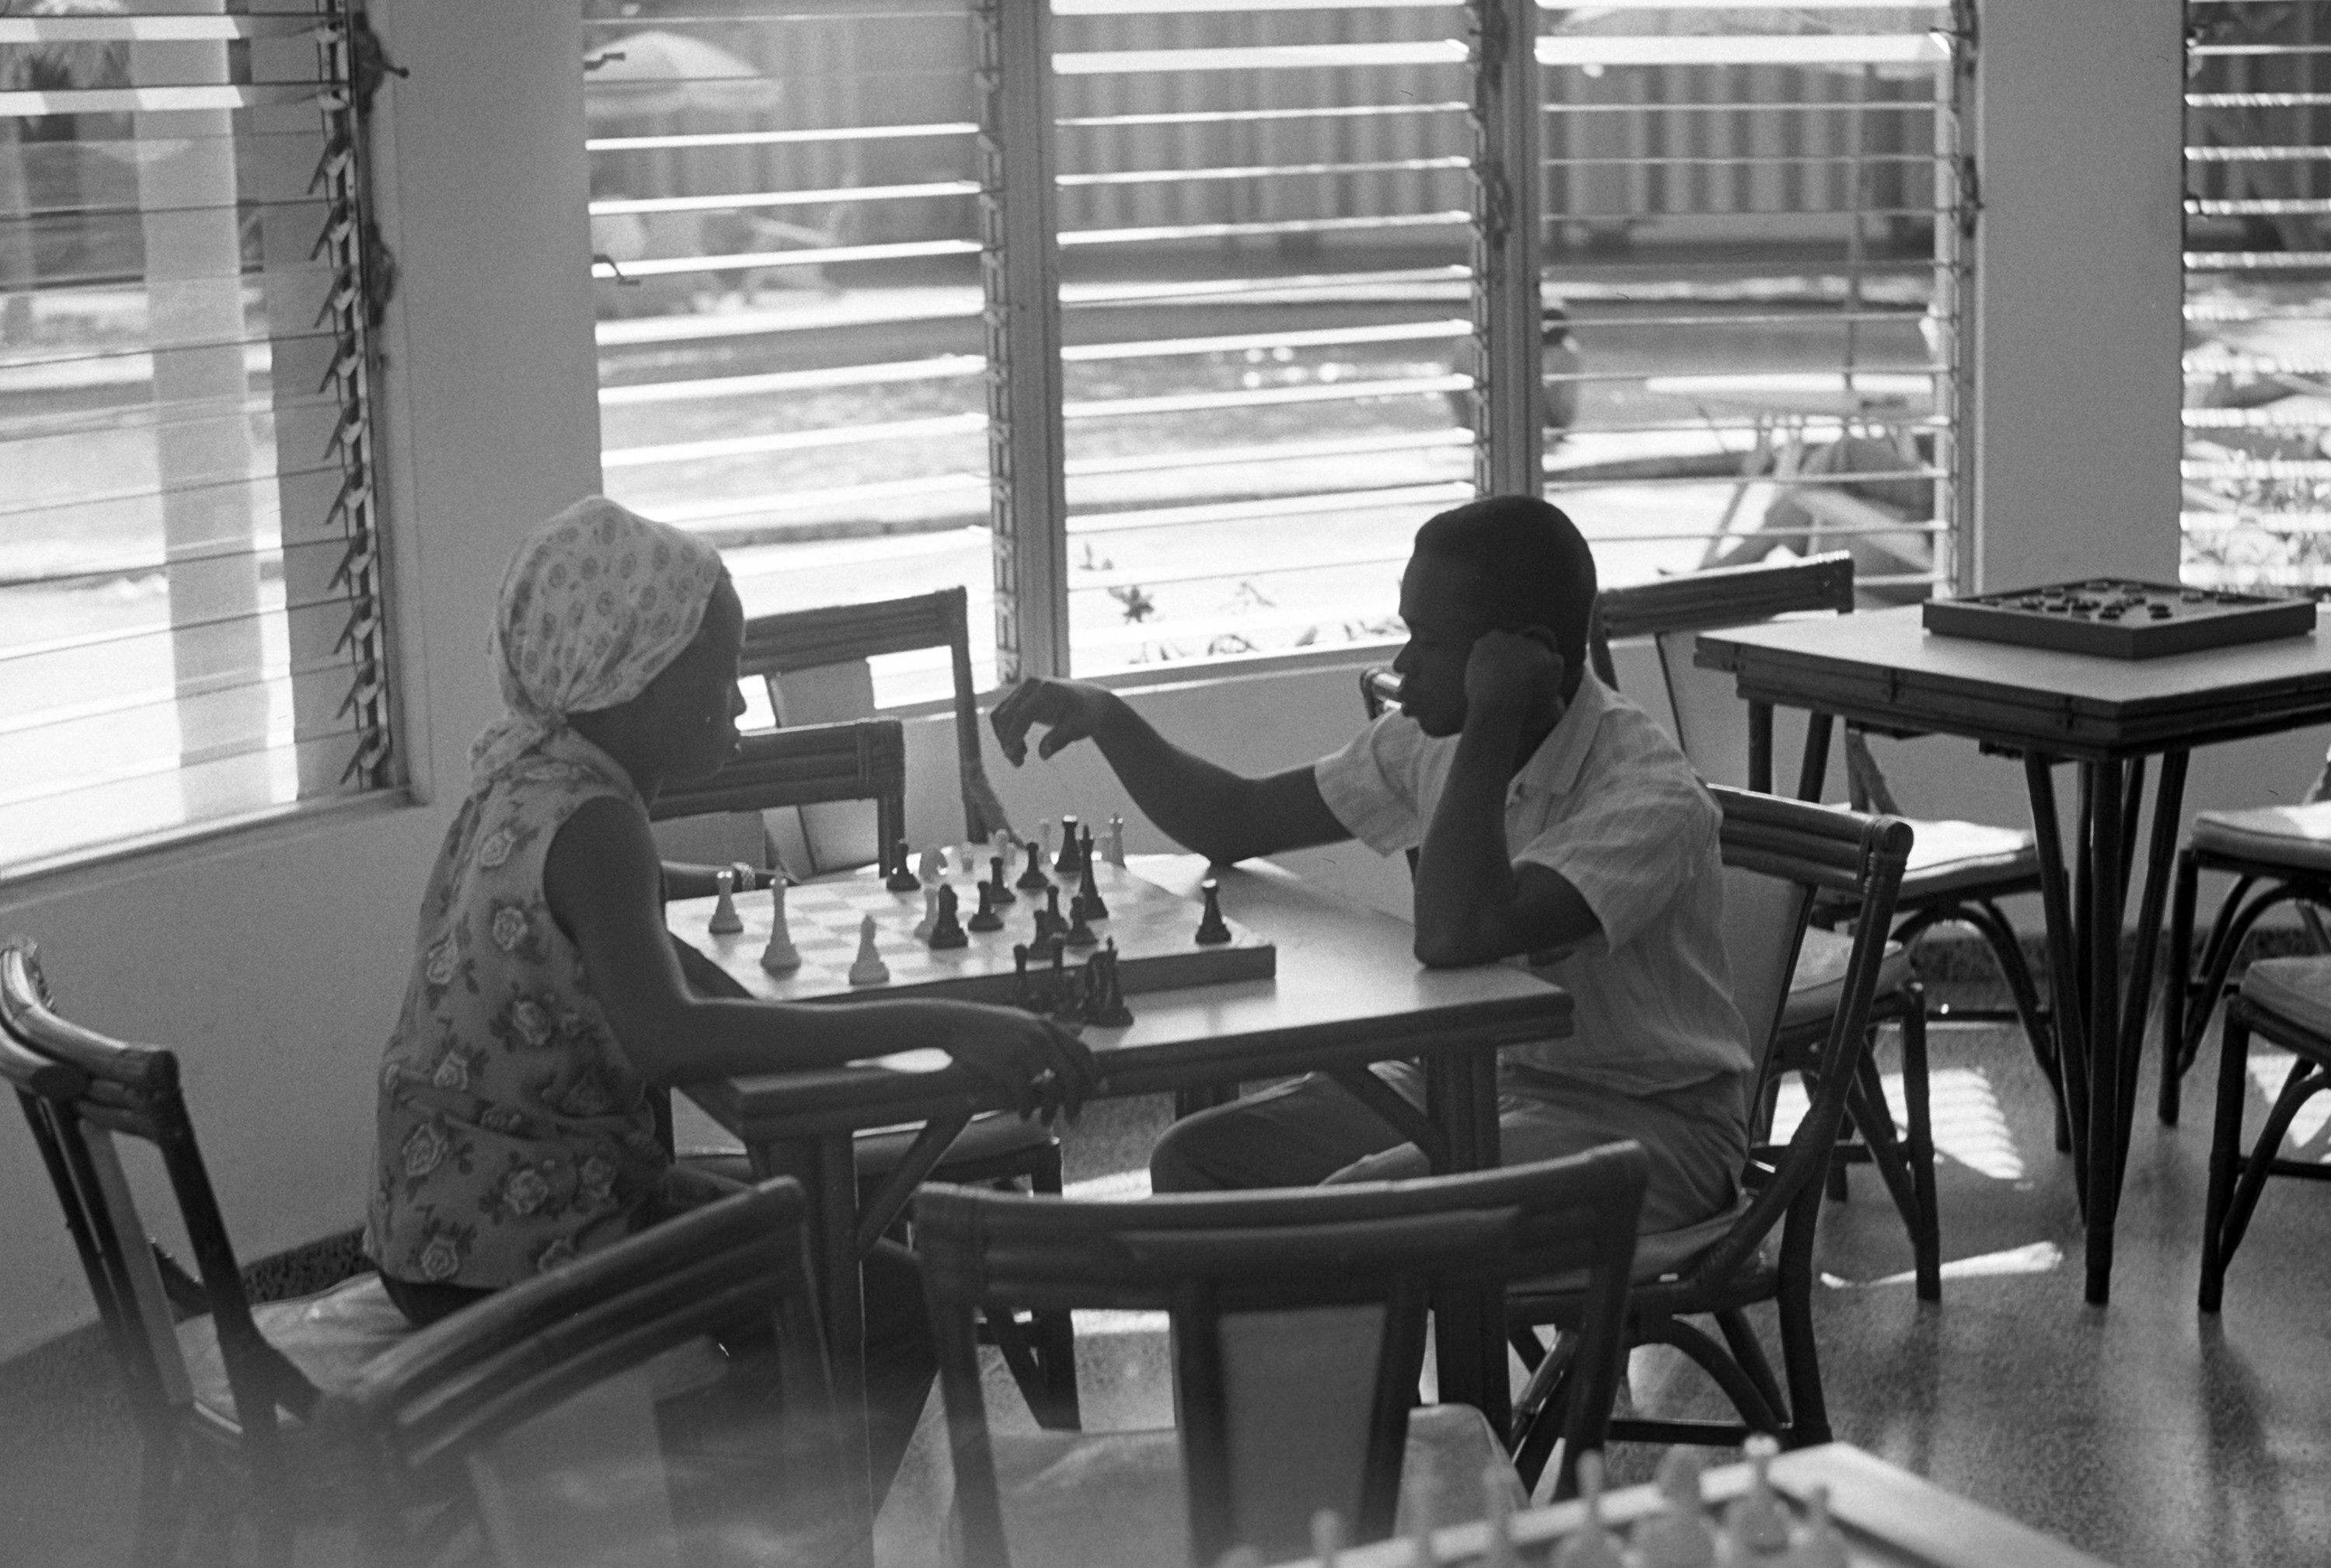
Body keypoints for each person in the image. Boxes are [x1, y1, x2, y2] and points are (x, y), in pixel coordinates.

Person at [363, 496, 1096, 1491]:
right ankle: (745, 1524)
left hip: (440, 1222)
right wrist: (949, 1018)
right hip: (522, 1249)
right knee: (895, 1302)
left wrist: (722, 894)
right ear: (633, 680)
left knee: (813, 1238)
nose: (742, 708)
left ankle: (703, 1491)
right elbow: (672, 1039)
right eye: (721, 681)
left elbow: (610, 926)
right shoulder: (598, 823)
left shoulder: (526, 779)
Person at [988, 495, 1749, 1232]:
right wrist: (1109, 716)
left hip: (1650, 1124)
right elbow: (1234, 820)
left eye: (1429, 640)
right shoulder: (1431, 737)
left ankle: (1371, 1358)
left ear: (1520, 655)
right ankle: (1283, 1368)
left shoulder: (1648, 794)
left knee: (1354, 1210)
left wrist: (1491, 717)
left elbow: (1457, 931)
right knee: (1202, 1161)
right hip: (1473, 1075)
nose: (1401, 664)